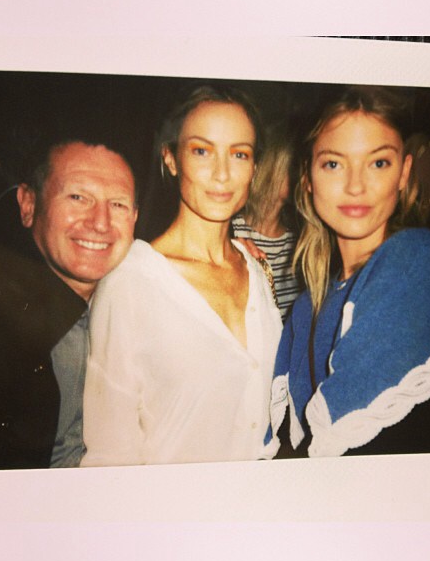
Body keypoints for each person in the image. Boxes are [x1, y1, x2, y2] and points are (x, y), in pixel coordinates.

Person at [265, 86, 430, 459]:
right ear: (307, 178)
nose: (356, 186)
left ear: (404, 173)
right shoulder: (306, 307)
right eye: (333, 164)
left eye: (378, 163)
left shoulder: (415, 261)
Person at [81, 86, 283, 467]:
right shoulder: (130, 283)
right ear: (171, 159)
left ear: (255, 167)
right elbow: (110, 452)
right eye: (201, 151)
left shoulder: (257, 270)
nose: (222, 174)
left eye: (239, 154)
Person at [0, 139, 138, 469]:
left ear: (135, 218)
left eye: (118, 205)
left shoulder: (135, 305)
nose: (100, 222)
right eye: (78, 197)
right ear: (28, 204)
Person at [232, 129, 301, 320]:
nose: (304, 176)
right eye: (294, 167)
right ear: (272, 168)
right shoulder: (230, 231)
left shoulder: (299, 242)